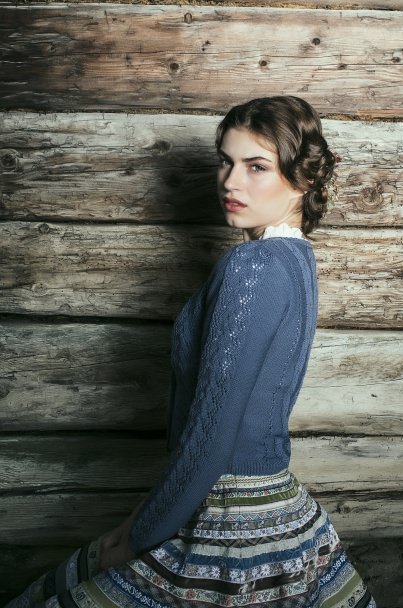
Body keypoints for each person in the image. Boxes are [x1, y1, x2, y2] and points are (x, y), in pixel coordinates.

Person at [7, 96, 376, 607]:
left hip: (227, 509)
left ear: (304, 178)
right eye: (226, 161)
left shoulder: (253, 266)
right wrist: (141, 516)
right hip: (264, 496)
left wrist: (136, 538)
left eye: (256, 166)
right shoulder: (296, 259)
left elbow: (212, 436)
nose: (230, 181)